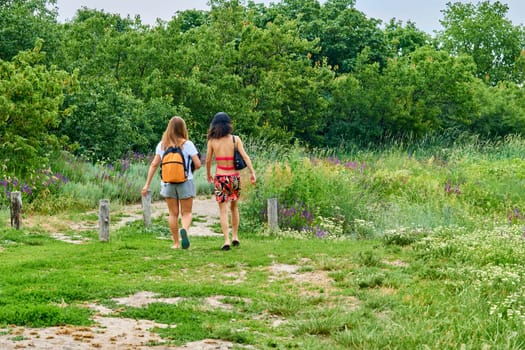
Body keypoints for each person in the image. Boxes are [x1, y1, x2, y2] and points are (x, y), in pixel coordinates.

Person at [142, 116, 201, 249]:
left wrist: (146, 184)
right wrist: (189, 170)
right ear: (182, 128)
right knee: (186, 213)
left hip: (167, 183)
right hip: (185, 181)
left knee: (172, 213)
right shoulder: (187, 144)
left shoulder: (162, 145)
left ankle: (175, 243)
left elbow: (154, 164)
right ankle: (184, 229)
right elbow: (197, 164)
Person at [206, 112, 256, 251]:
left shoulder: (212, 141)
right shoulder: (235, 139)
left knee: (223, 210)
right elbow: (245, 157)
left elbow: (209, 160)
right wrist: (252, 172)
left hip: (221, 177)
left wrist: (208, 174)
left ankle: (226, 240)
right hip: (234, 177)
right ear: (228, 124)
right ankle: (235, 237)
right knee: (234, 208)